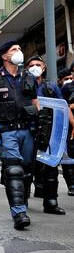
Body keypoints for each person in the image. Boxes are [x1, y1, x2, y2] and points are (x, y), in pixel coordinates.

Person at [0, 41, 39, 230]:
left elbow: (35, 102)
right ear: (5, 56)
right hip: (7, 130)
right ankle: (19, 212)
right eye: (14, 50)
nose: (19, 52)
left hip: (28, 130)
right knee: (13, 169)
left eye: (20, 49)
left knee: (27, 170)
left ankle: (24, 205)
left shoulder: (28, 76)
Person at [28, 55, 74, 214]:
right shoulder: (23, 85)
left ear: (44, 67)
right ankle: (21, 200)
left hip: (48, 132)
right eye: (31, 65)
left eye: (37, 64)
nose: (35, 67)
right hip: (28, 131)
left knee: (51, 167)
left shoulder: (51, 87)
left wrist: (73, 125)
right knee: (27, 167)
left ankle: (51, 202)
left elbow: (63, 107)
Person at [59, 68, 74, 196]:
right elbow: (62, 106)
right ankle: (72, 184)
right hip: (69, 127)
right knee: (69, 157)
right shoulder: (67, 88)